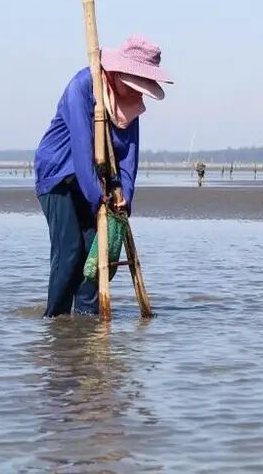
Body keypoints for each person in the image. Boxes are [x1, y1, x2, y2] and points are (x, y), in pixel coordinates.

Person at [34, 35, 172, 317]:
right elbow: (83, 150)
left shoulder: (129, 104)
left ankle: (86, 319)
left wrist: (125, 195)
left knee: (95, 256)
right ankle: (57, 322)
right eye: (135, 85)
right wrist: (98, 199)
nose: (138, 93)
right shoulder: (83, 87)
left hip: (98, 180)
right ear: (118, 72)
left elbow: (129, 154)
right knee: (70, 251)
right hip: (60, 175)